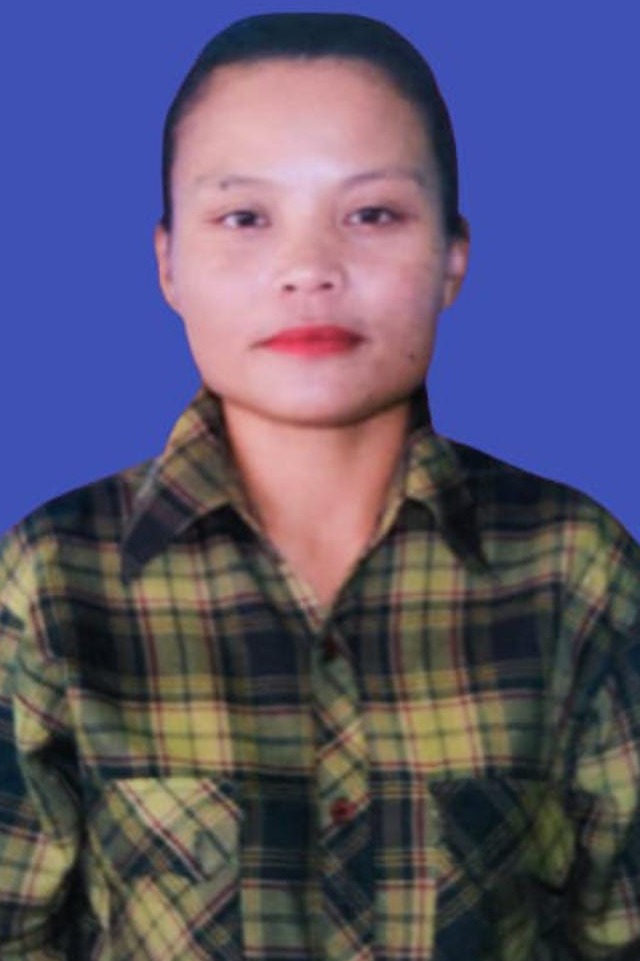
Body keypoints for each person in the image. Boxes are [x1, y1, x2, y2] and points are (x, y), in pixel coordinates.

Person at [1, 11, 639, 959]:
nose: (308, 269)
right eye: (245, 217)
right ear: (168, 262)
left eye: (371, 214)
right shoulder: (56, 576)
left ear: (454, 257)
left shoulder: (571, 565)